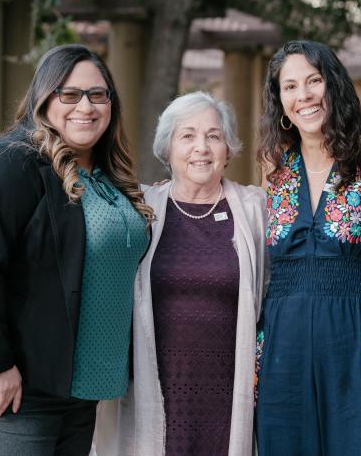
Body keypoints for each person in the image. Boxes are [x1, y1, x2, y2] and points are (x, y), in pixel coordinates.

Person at [0, 44, 153, 456]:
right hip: (11, 370)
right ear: (43, 99)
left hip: (76, 376)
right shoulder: (7, 164)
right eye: (70, 94)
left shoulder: (105, 175)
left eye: (98, 94)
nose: (86, 105)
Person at [255, 40, 361, 455]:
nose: (303, 95)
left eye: (313, 80)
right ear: (280, 100)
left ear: (334, 85)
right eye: (289, 87)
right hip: (283, 340)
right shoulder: (273, 164)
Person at [96, 91, 267, 455]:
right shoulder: (141, 209)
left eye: (213, 136)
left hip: (229, 387)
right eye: (187, 136)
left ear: (229, 148)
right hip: (159, 382)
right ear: (168, 147)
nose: (201, 147)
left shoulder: (254, 210)